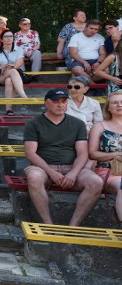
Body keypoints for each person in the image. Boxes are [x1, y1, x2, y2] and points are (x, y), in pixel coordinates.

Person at [24, 89, 103, 226]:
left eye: (64, 101)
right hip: (43, 168)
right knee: (34, 177)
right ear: (46, 103)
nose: (60, 105)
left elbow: (83, 153)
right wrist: (51, 172)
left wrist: (73, 173)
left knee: (96, 182)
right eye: (55, 101)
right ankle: (48, 223)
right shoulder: (33, 123)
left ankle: (74, 225)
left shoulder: (78, 124)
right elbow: (30, 153)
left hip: (72, 167)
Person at [87, 91, 122, 225]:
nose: (119, 105)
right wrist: (114, 155)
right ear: (108, 107)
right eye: (115, 102)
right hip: (108, 171)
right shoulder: (100, 126)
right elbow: (92, 154)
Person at [0, 30, 31, 116]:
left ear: (13, 39)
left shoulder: (19, 50)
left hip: (14, 74)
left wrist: (10, 66)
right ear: (2, 40)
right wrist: (4, 66)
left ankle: (9, 110)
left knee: (9, 80)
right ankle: (24, 96)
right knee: (12, 72)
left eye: (10, 36)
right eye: (6, 36)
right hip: (1, 75)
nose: (9, 38)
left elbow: (18, 65)